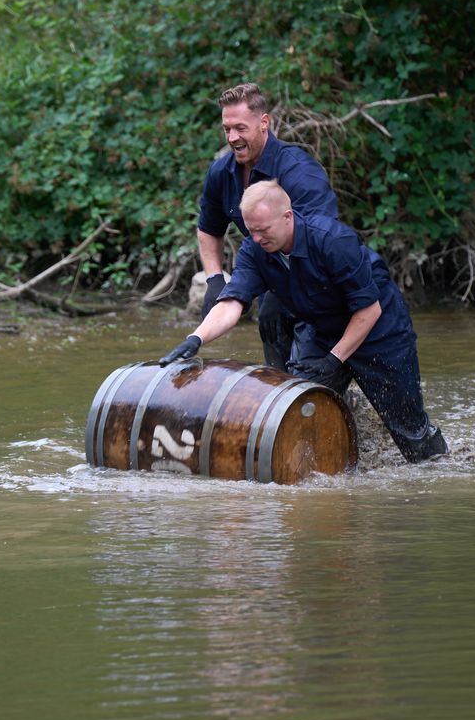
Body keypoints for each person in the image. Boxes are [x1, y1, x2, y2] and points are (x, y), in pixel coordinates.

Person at [162, 181, 448, 464]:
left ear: (288, 217)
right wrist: (196, 339)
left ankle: (440, 469)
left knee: (410, 433)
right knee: (295, 408)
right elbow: (232, 303)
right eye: (251, 231)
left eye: (263, 230)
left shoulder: (332, 241)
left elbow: (369, 311)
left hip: (380, 333)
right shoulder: (254, 250)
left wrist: (334, 360)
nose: (258, 239)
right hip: (322, 330)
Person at [196, 82, 339, 368]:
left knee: (310, 381)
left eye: (240, 128)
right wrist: (214, 279)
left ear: (264, 123)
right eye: (226, 129)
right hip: (272, 291)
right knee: (277, 381)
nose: (232, 137)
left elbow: (320, 241)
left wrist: (279, 292)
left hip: (319, 290)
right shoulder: (221, 173)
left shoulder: (299, 171)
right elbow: (209, 229)